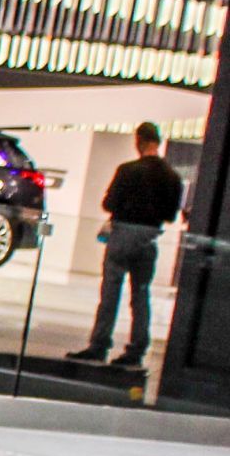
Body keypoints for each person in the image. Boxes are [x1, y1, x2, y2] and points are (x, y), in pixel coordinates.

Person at [66, 123, 184, 369]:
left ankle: (100, 345)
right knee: (141, 295)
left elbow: (109, 203)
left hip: (123, 235)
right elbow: (171, 215)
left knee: (110, 292)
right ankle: (137, 349)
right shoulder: (172, 177)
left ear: (139, 140)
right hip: (149, 238)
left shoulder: (128, 170)